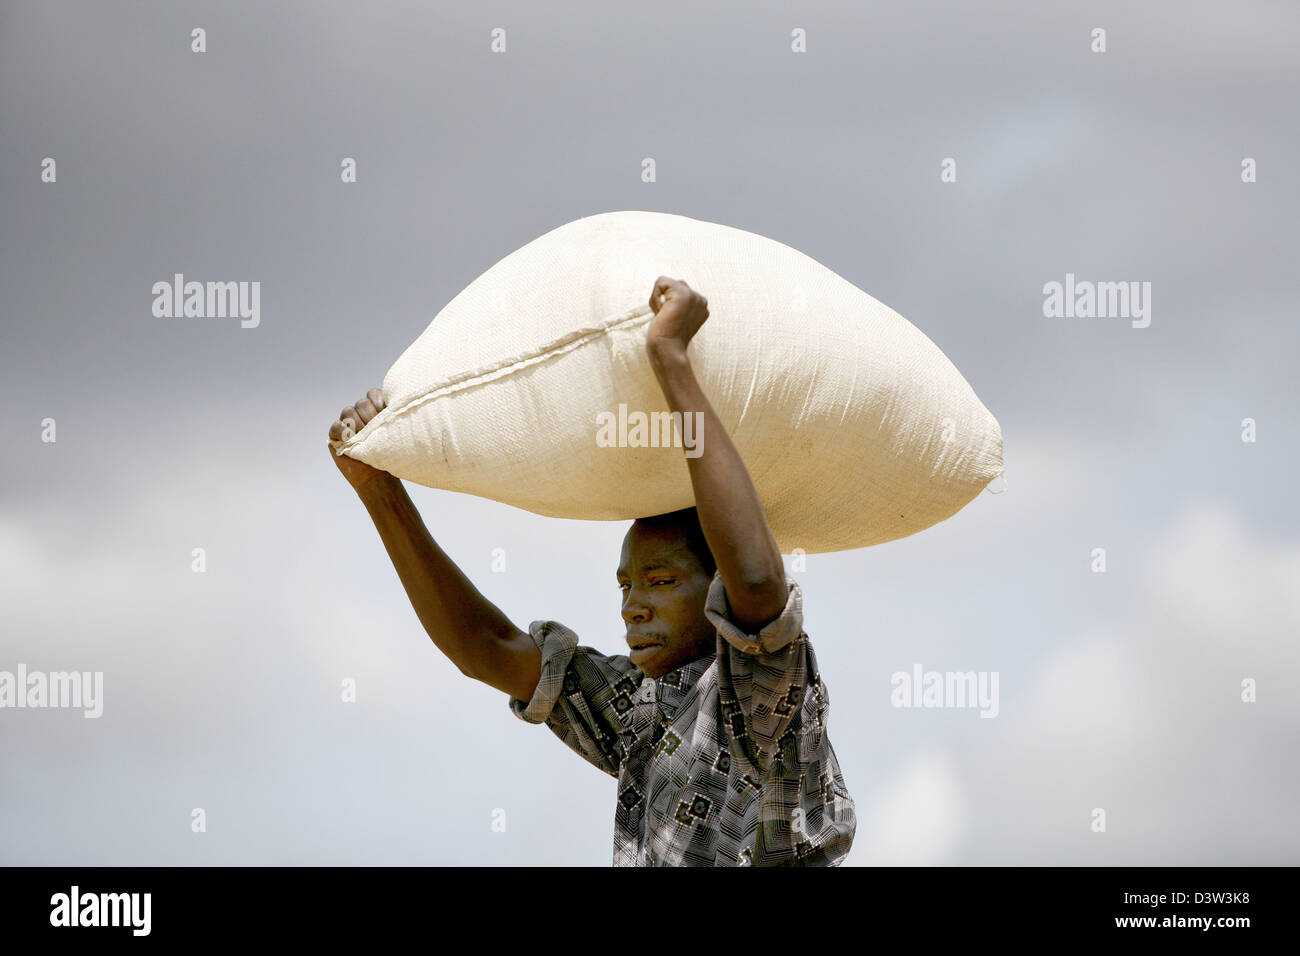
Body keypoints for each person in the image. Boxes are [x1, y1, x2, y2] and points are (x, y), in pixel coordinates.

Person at [327, 276, 856, 866]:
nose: (632, 605)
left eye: (660, 582)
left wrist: (672, 361)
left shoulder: (761, 689)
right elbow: (490, 646)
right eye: (626, 585)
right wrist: (380, 493)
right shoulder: (639, 709)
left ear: (716, 587)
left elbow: (758, 581)